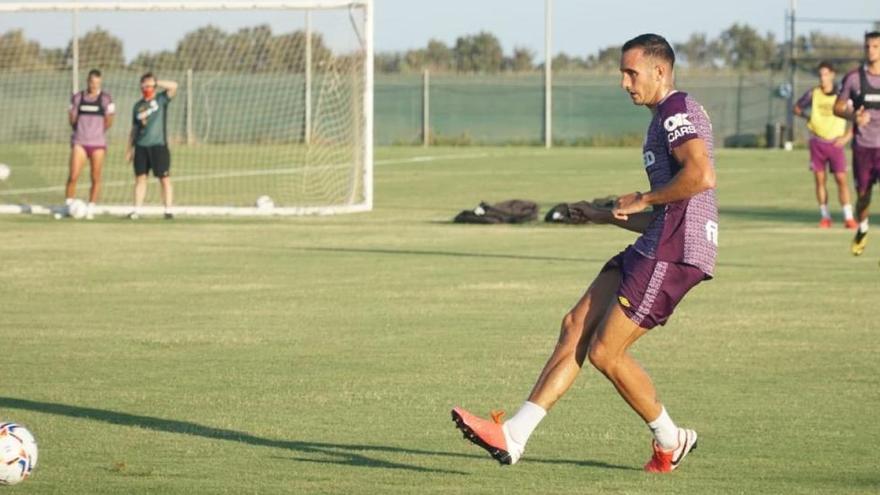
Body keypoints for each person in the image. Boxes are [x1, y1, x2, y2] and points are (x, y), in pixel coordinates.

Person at [452, 34, 717, 473]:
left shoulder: (675, 109)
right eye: (622, 72)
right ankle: (514, 435)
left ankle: (671, 439)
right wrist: (604, 215)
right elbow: (662, 207)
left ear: (660, 71)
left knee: (605, 352)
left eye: (631, 73)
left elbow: (701, 177)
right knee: (575, 324)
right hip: (659, 239)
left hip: (676, 248)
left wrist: (646, 198)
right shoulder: (661, 119)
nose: (624, 82)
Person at [794, 61, 856, 229]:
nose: (823, 78)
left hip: (836, 143)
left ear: (832, 75)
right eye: (820, 74)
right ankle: (825, 216)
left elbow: (856, 117)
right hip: (817, 142)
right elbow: (797, 108)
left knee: (841, 179)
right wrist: (809, 118)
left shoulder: (841, 96)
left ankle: (848, 217)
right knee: (820, 180)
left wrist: (847, 137)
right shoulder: (813, 94)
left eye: (826, 74)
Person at [835, 31, 880, 256]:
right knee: (864, 196)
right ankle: (862, 228)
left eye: (875, 46)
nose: (871, 51)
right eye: (867, 47)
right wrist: (854, 117)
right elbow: (838, 107)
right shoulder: (854, 78)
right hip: (863, 147)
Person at [125, 72, 178, 219]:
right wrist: (130, 149)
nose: (146, 87)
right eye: (144, 85)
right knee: (140, 179)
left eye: (149, 85)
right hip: (141, 147)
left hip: (158, 146)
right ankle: (137, 210)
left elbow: (174, 86)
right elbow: (134, 129)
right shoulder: (138, 106)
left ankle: (168, 210)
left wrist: (156, 82)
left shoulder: (161, 99)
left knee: (164, 178)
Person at [66, 69, 115, 220]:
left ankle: (91, 208)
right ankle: (68, 206)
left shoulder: (106, 99)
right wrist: (80, 130)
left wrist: (97, 131)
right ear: (87, 81)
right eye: (92, 82)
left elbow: (109, 120)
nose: (94, 86)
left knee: (95, 177)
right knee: (73, 175)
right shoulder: (78, 97)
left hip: (98, 144)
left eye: (97, 83)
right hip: (80, 142)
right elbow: (72, 118)